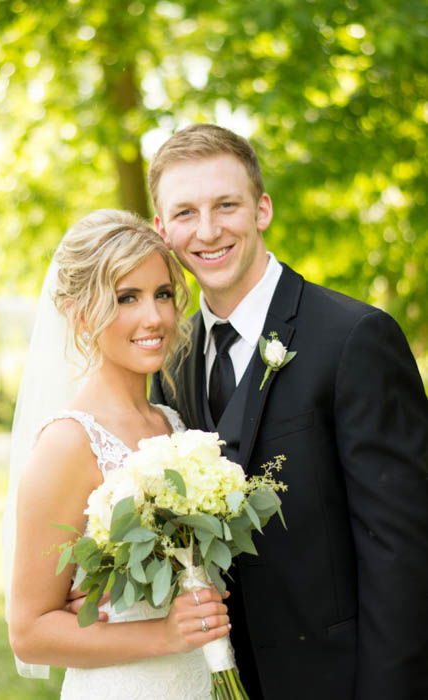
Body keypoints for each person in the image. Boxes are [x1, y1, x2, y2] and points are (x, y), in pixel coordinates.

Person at [149, 124, 428, 700]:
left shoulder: (355, 338)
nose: (208, 230)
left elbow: (404, 554)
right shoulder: (170, 362)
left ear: (262, 209)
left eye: (226, 205)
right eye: (185, 213)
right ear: (161, 229)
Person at [7, 209, 231, 699]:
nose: (154, 317)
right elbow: (28, 632)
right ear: (80, 313)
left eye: (163, 294)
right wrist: (163, 634)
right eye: (126, 297)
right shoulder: (68, 443)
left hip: (196, 679)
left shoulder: (170, 423)